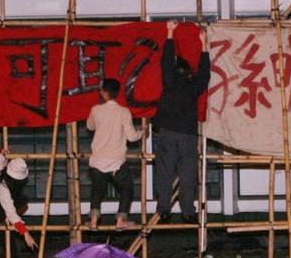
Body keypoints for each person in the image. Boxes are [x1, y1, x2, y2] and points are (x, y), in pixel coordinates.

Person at [152, 21, 211, 224]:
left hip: (167, 131)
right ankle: (188, 212)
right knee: (187, 174)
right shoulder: (193, 87)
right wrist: (204, 44)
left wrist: (169, 32)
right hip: (187, 133)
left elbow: (165, 62)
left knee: (164, 174)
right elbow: (205, 74)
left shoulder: (168, 83)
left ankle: (164, 210)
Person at [86, 78, 143, 231]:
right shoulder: (124, 112)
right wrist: (142, 133)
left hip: (98, 158)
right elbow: (131, 137)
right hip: (116, 160)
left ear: (103, 92)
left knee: (97, 190)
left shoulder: (96, 110)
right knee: (127, 189)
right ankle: (120, 221)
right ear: (117, 93)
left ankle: (93, 222)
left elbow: (89, 126)